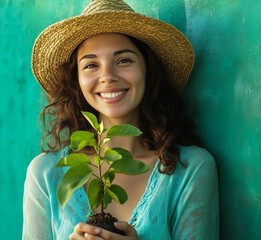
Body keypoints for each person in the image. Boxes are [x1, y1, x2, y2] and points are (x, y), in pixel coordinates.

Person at [23, 0, 219, 239]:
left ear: (148, 69)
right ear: (76, 80)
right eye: (91, 65)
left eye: (124, 60)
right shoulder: (46, 173)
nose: (108, 76)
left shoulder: (190, 168)